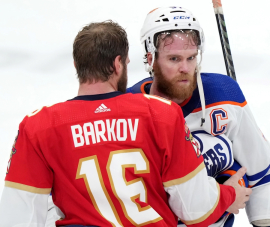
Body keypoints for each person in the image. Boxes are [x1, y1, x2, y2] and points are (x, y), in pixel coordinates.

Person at [0, 20, 251, 227]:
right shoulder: (162, 114)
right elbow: (197, 211)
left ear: (77, 65)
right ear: (118, 64)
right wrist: (230, 195)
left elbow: (18, 219)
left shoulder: (38, 126)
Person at [127, 6, 270, 227]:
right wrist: (222, 197)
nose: (185, 68)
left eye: (191, 58)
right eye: (174, 59)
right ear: (151, 58)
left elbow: (261, 171)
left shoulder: (224, 94)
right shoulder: (128, 107)